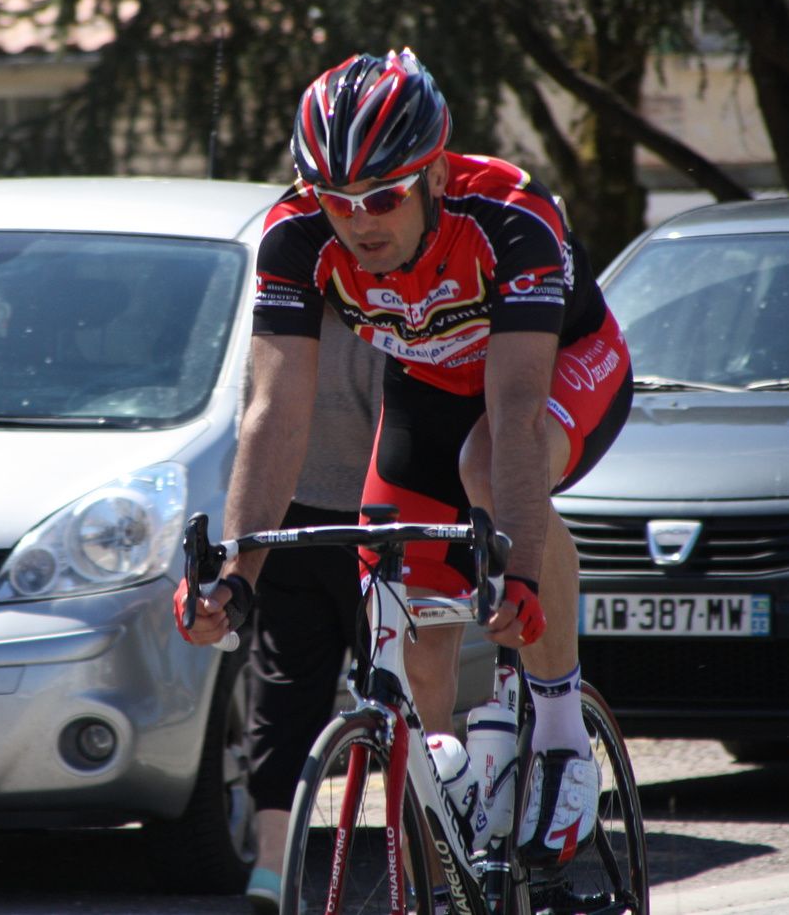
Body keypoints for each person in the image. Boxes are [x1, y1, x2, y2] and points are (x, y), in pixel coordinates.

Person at [177, 48, 633, 872]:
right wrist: (235, 573)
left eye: (383, 195)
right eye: (336, 198)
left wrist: (519, 568)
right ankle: (452, 785)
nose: (360, 221)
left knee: (489, 468)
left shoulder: (511, 217)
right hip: (430, 382)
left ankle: (562, 733)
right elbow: (275, 411)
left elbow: (519, 412)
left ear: (433, 173)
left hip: (557, 369)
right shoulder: (296, 235)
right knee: (395, 568)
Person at [233, 304, 382, 909]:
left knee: (285, 693)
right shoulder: (389, 306)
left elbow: (257, 415)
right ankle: (422, 853)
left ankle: (271, 866)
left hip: (292, 520)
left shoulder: (282, 311)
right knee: (411, 694)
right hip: (380, 524)